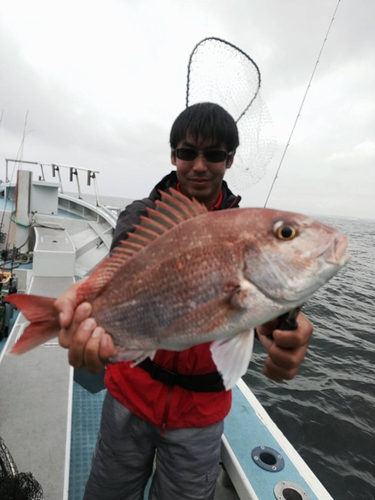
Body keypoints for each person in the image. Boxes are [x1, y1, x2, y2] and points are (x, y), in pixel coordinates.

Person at [55, 102, 313, 500]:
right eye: (188, 152)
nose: (199, 165)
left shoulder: (243, 230)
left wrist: (284, 323)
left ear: (229, 161)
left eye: (213, 155)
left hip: (200, 414)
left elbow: (259, 294)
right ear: (173, 154)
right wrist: (88, 298)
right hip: (131, 393)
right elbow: (125, 258)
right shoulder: (143, 214)